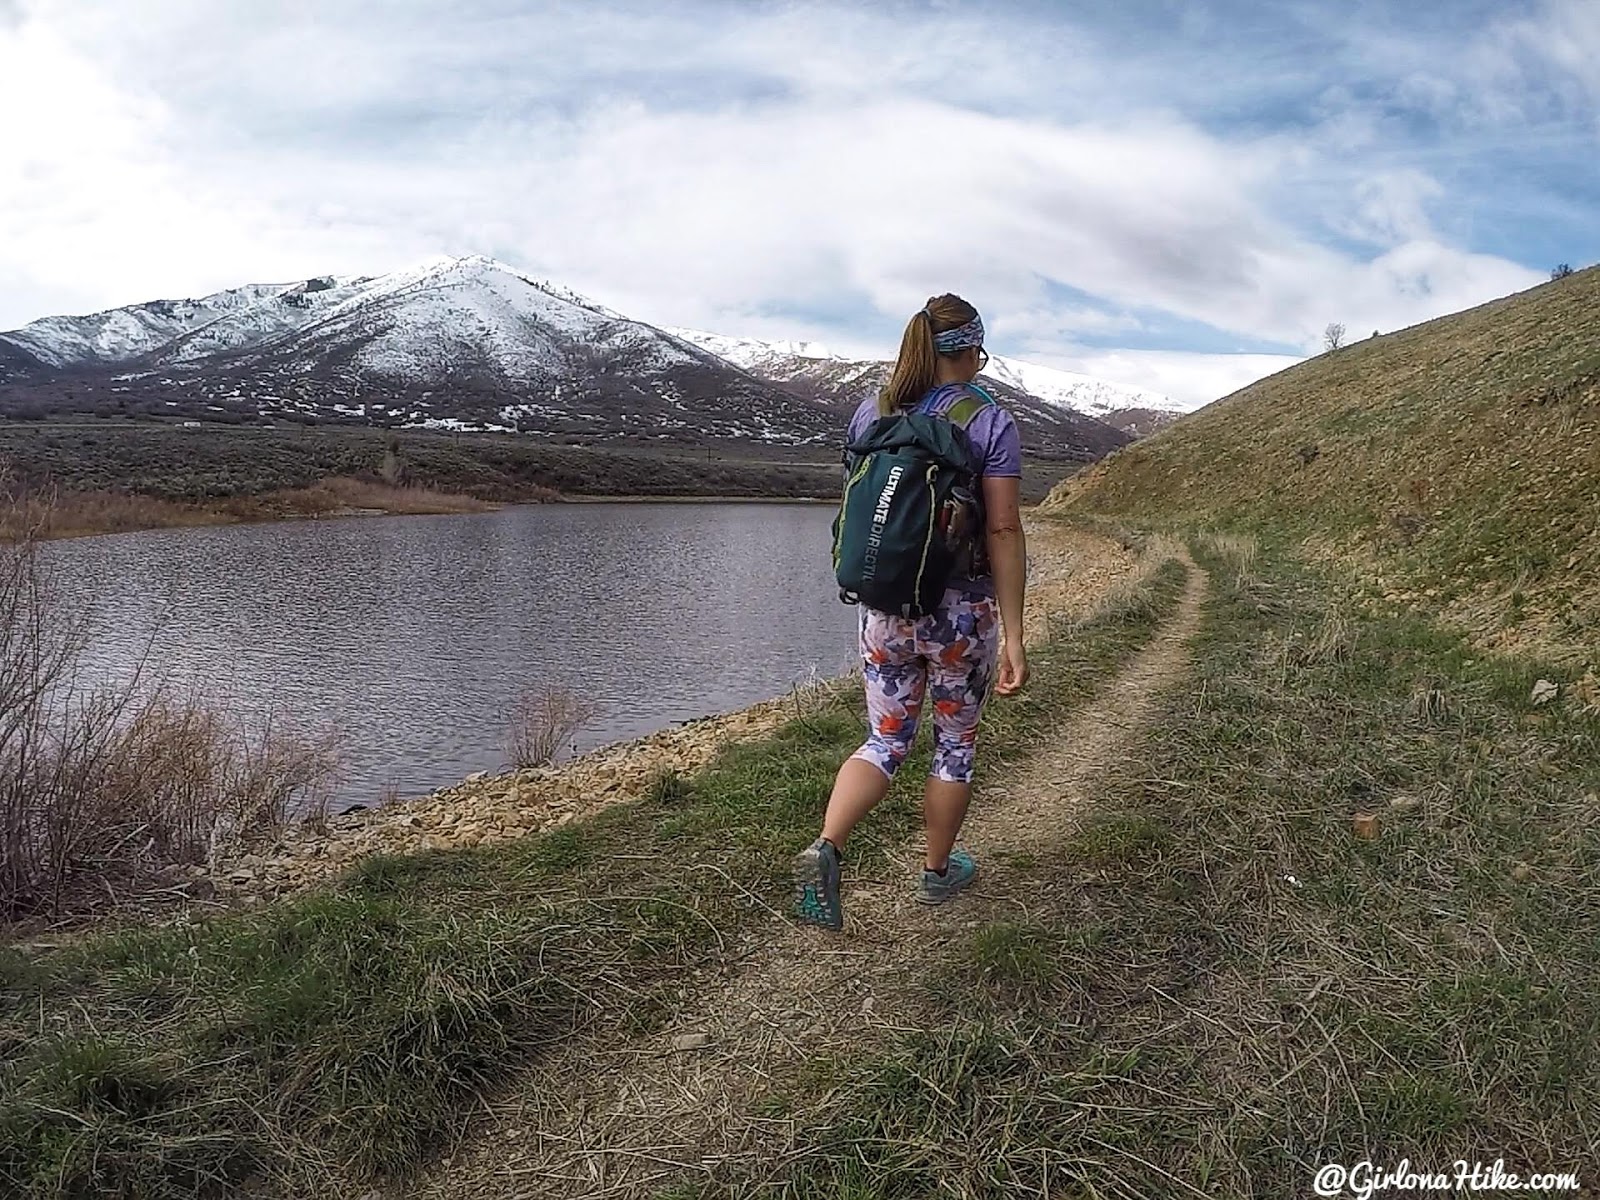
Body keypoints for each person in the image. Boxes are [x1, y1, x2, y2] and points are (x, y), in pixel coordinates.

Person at [793, 293, 1029, 931]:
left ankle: (828, 846)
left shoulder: (873, 410)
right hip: (958, 616)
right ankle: (937, 872)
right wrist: (1014, 635)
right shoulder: (989, 420)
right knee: (953, 742)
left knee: (884, 740)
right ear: (974, 348)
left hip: (882, 610)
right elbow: (1003, 529)